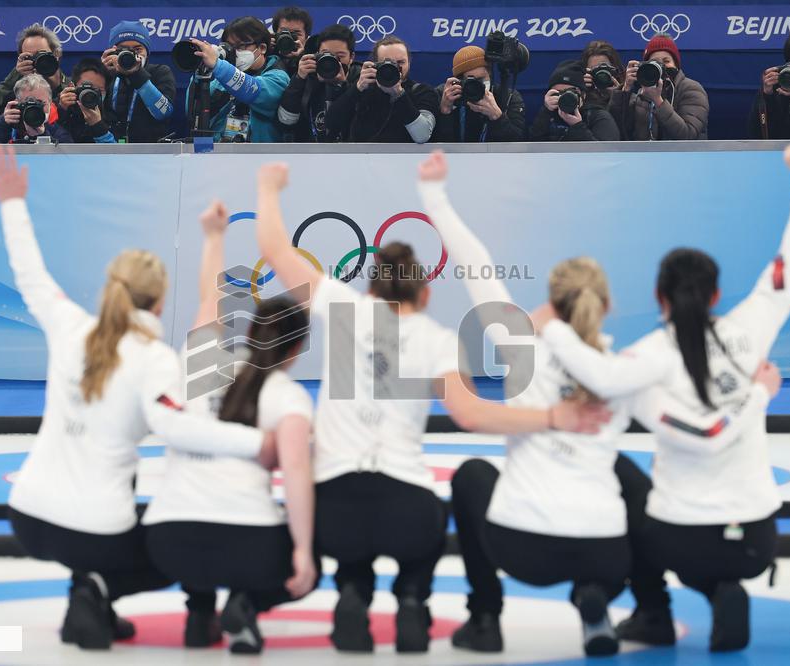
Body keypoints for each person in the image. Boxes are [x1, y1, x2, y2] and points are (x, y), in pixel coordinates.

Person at [415, 151, 778, 657]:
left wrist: (434, 194)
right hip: (604, 554)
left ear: (552, 304)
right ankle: (646, 607)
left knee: (472, 476)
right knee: (633, 479)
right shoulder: (626, 366)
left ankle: (485, 619)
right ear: (607, 306)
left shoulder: (522, 347)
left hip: (522, 549)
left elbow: (476, 266)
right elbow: (697, 417)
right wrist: (756, 390)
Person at [253, 161, 611, 654]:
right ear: (425, 292)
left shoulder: (341, 307)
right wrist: (552, 417)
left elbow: (273, 249)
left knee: (342, 525)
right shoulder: (439, 340)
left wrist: (267, 188)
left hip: (334, 508)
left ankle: (353, 592)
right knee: (427, 520)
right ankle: (412, 600)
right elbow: (471, 416)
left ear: (370, 285)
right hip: (407, 510)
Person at [530, 143, 790, 652]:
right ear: (715, 295)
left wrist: (551, 330)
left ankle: (654, 614)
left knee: (620, 480)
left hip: (679, 542)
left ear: (657, 297)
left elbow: (599, 375)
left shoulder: (646, 360)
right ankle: (723, 589)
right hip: (754, 539)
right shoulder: (752, 329)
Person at [0, 144, 275, 651]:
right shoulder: (154, 358)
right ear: (160, 300)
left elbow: (29, 274)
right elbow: (178, 427)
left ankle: (90, 597)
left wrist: (11, 202)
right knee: (175, 549)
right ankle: (94, 589)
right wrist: (258, 444)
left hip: (27, 516)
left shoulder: (70, 326)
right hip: (95, 529)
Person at [144, 201, 317, 655]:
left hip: (170, 539)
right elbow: (297, 478)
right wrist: (302, 552)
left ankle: (200, 611)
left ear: (250, 328)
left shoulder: (203, 363)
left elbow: (209, 301)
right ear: (296, 349)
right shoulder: (287, 396)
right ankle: (245, 602)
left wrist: (215, 237)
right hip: (248, 540)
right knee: (311, 552)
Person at [187, 17, 290, 143]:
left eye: (241, 46)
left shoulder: (278, 78)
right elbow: (192, 112)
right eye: (230, 46)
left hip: (259, 157)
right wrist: (200, 73)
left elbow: (252, 90)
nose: (235, 52)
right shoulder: (219, 78)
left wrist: (217, 65)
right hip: (216, 155)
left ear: (262, 48)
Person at [325, 35, 437, 143]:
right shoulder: (362, 90)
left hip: (405, 161)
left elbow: (422, 135)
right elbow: (331, 125)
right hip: (360, 160)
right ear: (375, 63)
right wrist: (357, 89)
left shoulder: (422, 92)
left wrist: (399, 94)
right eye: (386, 63)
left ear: (409, 62)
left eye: (400, 62)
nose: (394, 68)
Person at [612, 34, 709, 140]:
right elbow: (619, 130)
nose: (661, 66)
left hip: (684, 155)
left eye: (666, 61)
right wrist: (626, 89)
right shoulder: (642, 93)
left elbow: (688, 135)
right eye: (655, 62)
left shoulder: (691, 89)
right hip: (647, 155)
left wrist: (658, 101)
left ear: (676, 65)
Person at [277, 23, 360, 142]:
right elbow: (286, 121)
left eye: (340, 56)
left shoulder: (360, 81)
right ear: (317, 54)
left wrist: (342, 86)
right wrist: (299, 80)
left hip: (351, 153)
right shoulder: (308, 77)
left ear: (351, 57)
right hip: (310, 153)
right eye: (326, 55)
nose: (333, 61)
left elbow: (361, 125)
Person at [101, 21, 176, 143]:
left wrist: (137, 75)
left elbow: (163, 112)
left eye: (137, 49)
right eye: (123, 50)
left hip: (151, 152)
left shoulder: (160, 72)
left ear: (147, 51)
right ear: (112, 52)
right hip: (112, 151)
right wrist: (102, 73)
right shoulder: (106, 74)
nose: (131, 55)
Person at [0, 24, 70, 124]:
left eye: (42, 54)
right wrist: (15, 75)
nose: (38, 61)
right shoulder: (18, 88)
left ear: (57, 54)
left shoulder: (69, 89)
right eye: (30, 57)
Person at [434, 46, 524, 142]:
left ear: (490, 75)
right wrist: (445, 112)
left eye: (481, 80)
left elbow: (518, 142)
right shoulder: (446, 95)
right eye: (471, 81)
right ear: (459, 81)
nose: (476, 85)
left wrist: (497, 116)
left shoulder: (507, 96)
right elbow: (432, 144)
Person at [0, 74, 73, 144]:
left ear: (50, 104)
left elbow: (65, 163)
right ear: (17, 103)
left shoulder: (58, 133)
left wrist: (42, 136)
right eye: (27, 103)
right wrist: (2, 123)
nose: (35, 108)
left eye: (41, 103)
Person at [529, 60, 619, 141]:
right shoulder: (549, 115)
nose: (565, 96)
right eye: (558, 92)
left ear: (583, 95)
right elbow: (533, 148)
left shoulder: (597, 117)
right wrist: (545, 112)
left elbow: (606, 154)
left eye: (570, 92)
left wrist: (577, 126)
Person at [57, 58, 115, 144]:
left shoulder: (112, 115)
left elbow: (116, 152)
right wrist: (61, 112)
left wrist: (98, 126)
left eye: (97, 90)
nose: (90, 94)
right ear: (72, 86)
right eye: (85, 87)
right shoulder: (62, 106)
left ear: (106, 91)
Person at [580, 40, 625, 114]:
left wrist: (618, 97)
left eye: (603, 68)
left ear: (615, 69)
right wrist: (583, 91)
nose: (600, 74)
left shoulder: (627, 94)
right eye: (594, 69)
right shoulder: (581, 95)